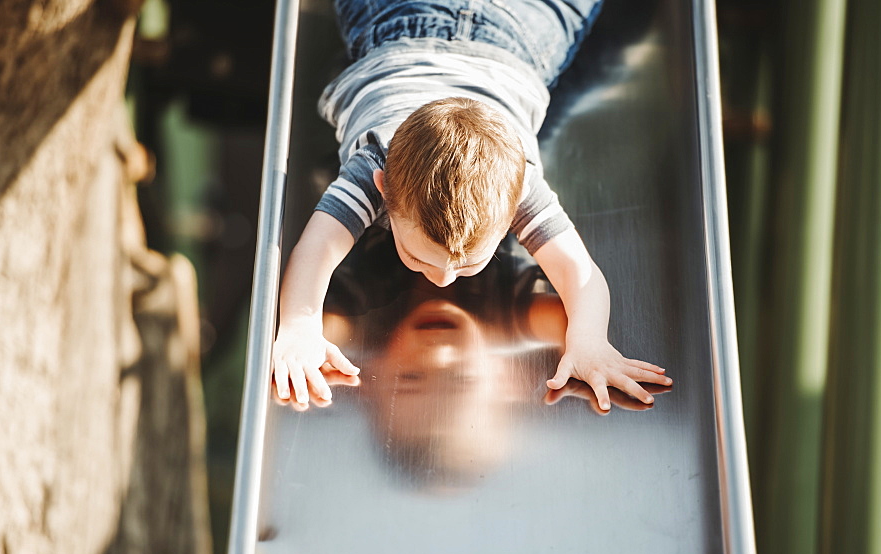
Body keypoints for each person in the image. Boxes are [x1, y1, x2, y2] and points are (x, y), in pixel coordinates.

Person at [272, 0, 672, 412]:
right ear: (383, 190)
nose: (444, 280)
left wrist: (590, 340)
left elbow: (579, 273)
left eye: (466, 264)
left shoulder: (515, 183)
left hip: (418, 22)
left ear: (513, 210)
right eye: (417, 254)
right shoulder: (377, 161)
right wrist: (299, 326)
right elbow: (317, 248)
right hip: (503, 28)